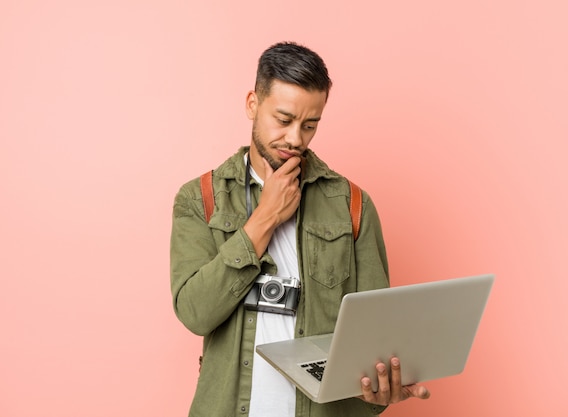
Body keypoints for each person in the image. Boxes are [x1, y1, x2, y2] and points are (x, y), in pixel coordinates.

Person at [170, 41, 430, 417]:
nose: (295, 139)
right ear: (252, 105)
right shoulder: (200, 199)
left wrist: (379, 391)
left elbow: (374, 341)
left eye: (310, 125)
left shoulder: (352, 205)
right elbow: (195, 313)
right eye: (284, 119)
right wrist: (265, 218)